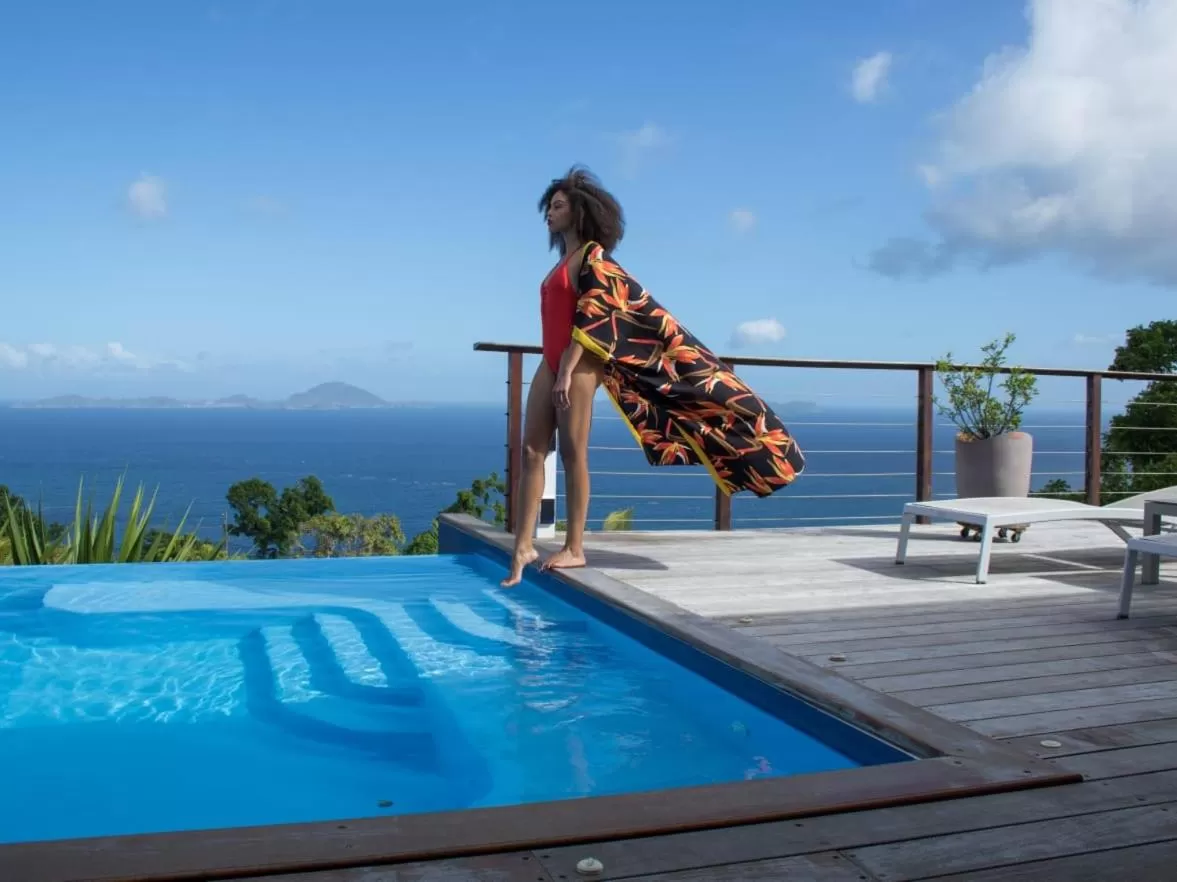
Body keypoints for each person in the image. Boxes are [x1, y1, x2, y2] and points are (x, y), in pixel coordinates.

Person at [501, 167, 805, 588]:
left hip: (579, 364)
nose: (549, 214)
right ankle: (523, 546)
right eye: (548, 207)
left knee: (572, 453)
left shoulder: (593, 257)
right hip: (549, 361)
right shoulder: (562, 262)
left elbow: (596, 316)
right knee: (532, 450)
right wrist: (555, 367)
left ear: (580, 212)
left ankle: (574, 547)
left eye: (558, 206)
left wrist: (567, 371)